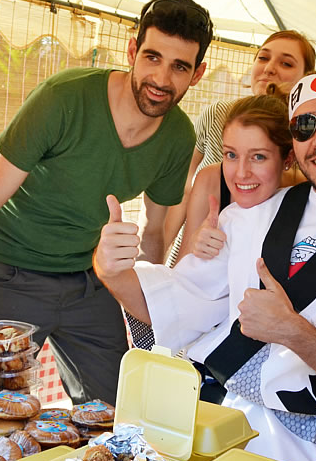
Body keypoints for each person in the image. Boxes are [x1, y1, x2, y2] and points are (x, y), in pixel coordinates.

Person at [94, 70, 316, 461]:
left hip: (299, 456)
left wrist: (294, 332)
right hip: (209, 424)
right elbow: (179, 302)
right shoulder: (252, 215)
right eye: (305, 127)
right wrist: (111, 270)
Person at [0, 0, 213, 405]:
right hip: (11, 271)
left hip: (89, 281)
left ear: (197, 74)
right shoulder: (63, 97)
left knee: (117, 413)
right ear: (132, 51)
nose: (162, 79)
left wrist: (149, 315)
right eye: (152, 58)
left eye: (179, 67)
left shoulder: (179, 136)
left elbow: (154, 235)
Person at [127, 91, 301, 352]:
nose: (241, 173)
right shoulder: (211, 181)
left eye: (258, 157)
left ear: (288, 159)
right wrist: (198, 245)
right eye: (231, 155)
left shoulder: (303, 195)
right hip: (213, 335)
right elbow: (184, 276)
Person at [164, 30, 315, 253]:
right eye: (263, 58)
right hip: (202, 244)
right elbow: (185, 186)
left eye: (286, 63)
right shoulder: (217, 115)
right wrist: (162, 251)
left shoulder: (311, 142)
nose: (269, 68)